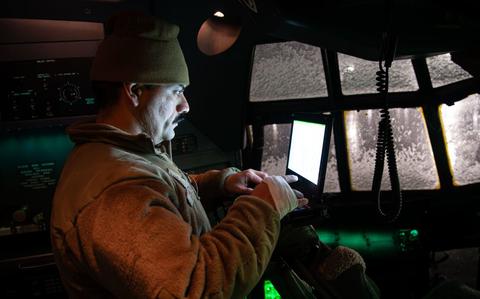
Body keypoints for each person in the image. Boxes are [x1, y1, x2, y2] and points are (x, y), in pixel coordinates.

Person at [50, 11, 308, 298]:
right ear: (135, 91)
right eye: (176, 91)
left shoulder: (123, 153)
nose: (185, 105)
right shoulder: (115, 193)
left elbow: (157, 195)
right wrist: (264, 208)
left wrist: (219, 183)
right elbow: (195, 288)